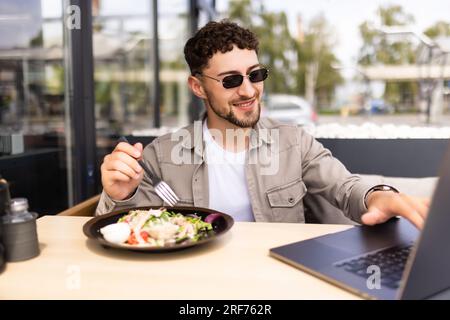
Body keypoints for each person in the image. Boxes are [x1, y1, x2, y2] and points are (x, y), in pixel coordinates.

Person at [96, 20, 428, 229]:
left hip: (276, 282)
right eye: (230, 80)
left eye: (256, 75)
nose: (248, 90)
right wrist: (118, 196)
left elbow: (345, 187)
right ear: (198, 87)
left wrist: (379, 195)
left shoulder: (294, 142)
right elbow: (123, 229)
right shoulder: (161, 157)